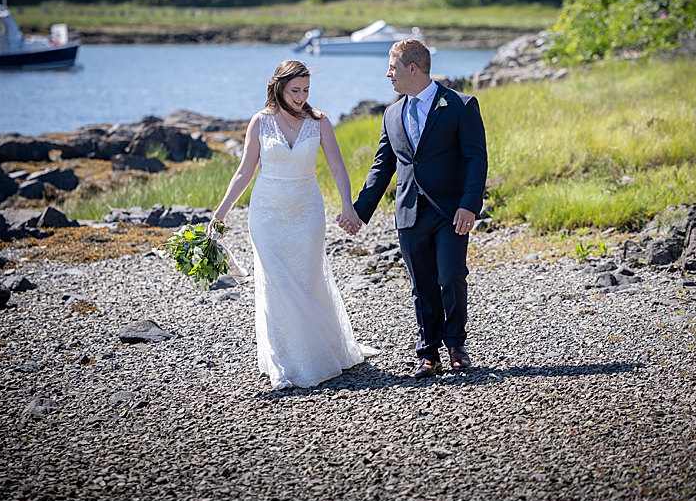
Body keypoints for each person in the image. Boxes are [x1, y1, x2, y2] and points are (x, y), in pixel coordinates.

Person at [209, 60, 373, 390]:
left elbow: (338, 167)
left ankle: (319, 351)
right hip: (267, 214)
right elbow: (244, 173)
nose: (301, 97)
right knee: (276, 283)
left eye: (306, 91)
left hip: (307, 212)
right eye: (295, 90)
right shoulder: (260, 122)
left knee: (308, 279)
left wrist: (347, 205)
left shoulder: (319, 121)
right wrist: (220, 214)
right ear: (279, 87)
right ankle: (283, 360)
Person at [342, 39, 488, 379]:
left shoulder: (460, 105)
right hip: (409, 212)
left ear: (412, 69)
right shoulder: (392, 113)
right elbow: (383, 166)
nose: (387, 74)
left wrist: (470, 205)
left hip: (451, 211)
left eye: (392, 67)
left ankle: (456, 344)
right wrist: (359, 211)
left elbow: (476, 160)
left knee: (452, 276)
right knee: (420, 285)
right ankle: (428, 354)